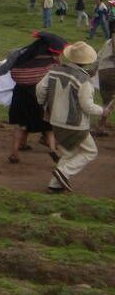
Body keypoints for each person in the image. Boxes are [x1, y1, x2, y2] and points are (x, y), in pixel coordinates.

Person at [37, 42, 112, 193]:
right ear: (87, 61)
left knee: (68, 152)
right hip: (75, 123)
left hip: (55, 120)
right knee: (90, 152)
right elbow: (87, 106)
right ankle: (64, 173)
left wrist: (44, 103)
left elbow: (40, 88)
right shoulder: (85, 81)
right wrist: (102, 111)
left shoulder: (54, 71)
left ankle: (54, 185)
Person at [0, 30, 64, 163]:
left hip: (21, 93)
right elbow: (58, 77)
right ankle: (53, 150)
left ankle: (14, 153)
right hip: (41, 96)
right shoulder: (53, 58)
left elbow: (5, 68)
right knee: (48, 127)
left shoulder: (19, 52)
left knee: (21, 125)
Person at [96, 35, 115, 138]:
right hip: (112, 70)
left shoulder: (109, 41)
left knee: (106, 102)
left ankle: (101, 126)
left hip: (103, 71)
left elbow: (99, 57)